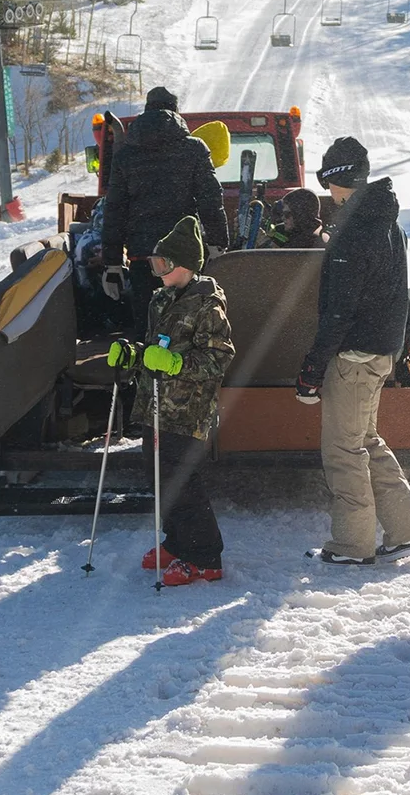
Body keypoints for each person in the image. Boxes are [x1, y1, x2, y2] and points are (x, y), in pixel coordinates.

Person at [299, 136, 410, 564]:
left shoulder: (353, 233)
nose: (328, 194)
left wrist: (313, 367)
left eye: (328, 181)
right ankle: (408, 530)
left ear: (339, 180)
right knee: (366, 441)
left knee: (343, 450)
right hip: (378, 353)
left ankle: (352, 545)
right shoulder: (386, 221)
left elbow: (339, 310)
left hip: (354, 356)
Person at [115, 216, 236, 585]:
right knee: (156, 474)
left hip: (187, 409)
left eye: (163, 264)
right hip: (157, 404)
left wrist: (177, 362)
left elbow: (220, 359)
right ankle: (179, 541)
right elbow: (157, 349)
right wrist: (135, 354)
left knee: (179, 479)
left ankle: (205, 556)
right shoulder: (163, 298)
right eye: (154, 263)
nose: (157, 270)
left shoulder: (207, 306)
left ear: (184, 265)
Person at [95, 86, 228, 324]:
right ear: (176, 113)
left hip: (142, 256)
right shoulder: (194, 149)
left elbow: (114, 210)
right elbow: (211, 198)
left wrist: (113, 262)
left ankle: (144, 357)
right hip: (184, 252)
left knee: (147, 322)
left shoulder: (125, 156)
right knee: (186, 322)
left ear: (146, 112)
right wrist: (217, 242)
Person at [263, 186, 327, 249]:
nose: (283, 218)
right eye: (282, 214)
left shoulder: (306, 240)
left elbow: (279, 258)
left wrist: (263, 241)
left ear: (300, 214)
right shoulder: (316, 231)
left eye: (287, 214)